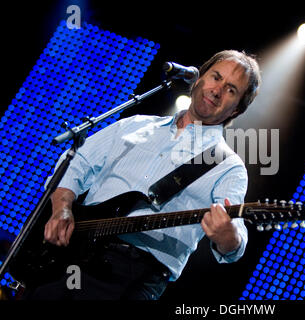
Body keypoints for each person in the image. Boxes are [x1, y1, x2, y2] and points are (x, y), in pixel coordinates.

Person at [23, 50, 261, 300]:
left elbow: (235, 239)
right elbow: (77, 162)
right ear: (199, 78)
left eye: (231, 89)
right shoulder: (135, 125)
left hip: (132, 277)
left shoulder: (227, 166)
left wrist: (228, 237)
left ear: (236, 111)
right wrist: (62, 208)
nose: (217, 90)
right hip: (68, 253)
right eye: (215, 77)